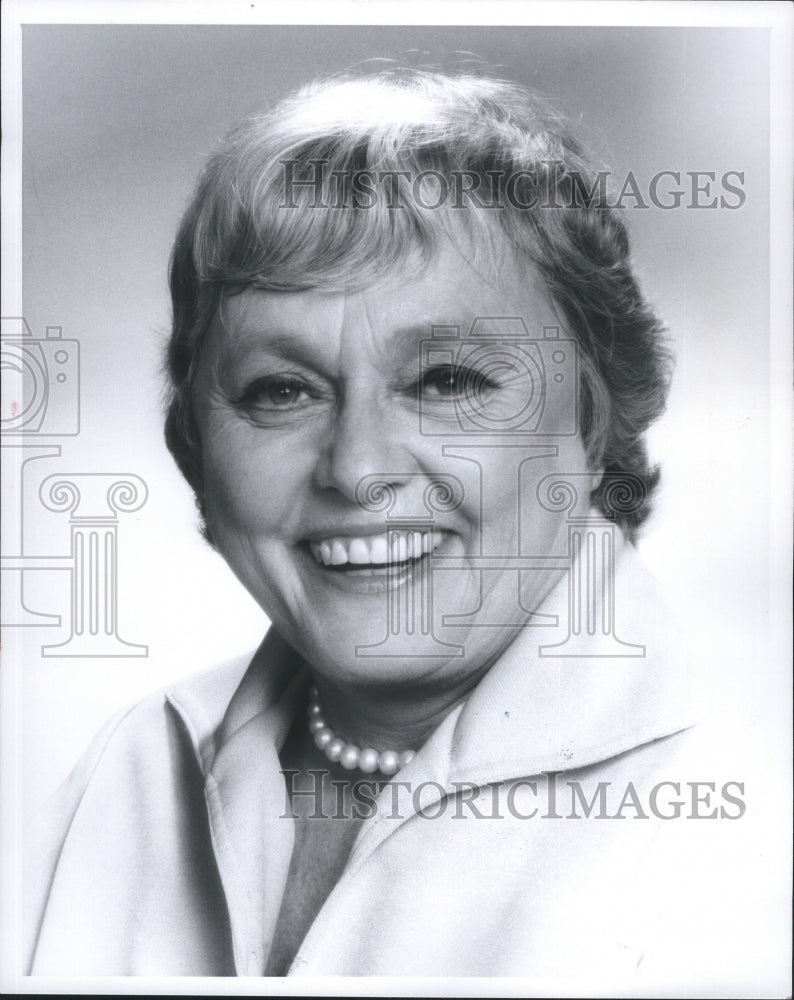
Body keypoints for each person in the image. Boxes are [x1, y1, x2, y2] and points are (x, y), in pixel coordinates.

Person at [24, 67, 745, 984]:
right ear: (198, 445)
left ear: (595, 426)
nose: (358, 468)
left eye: (446, 381)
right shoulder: (128, 766)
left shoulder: (749, 799)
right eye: (281, 391)